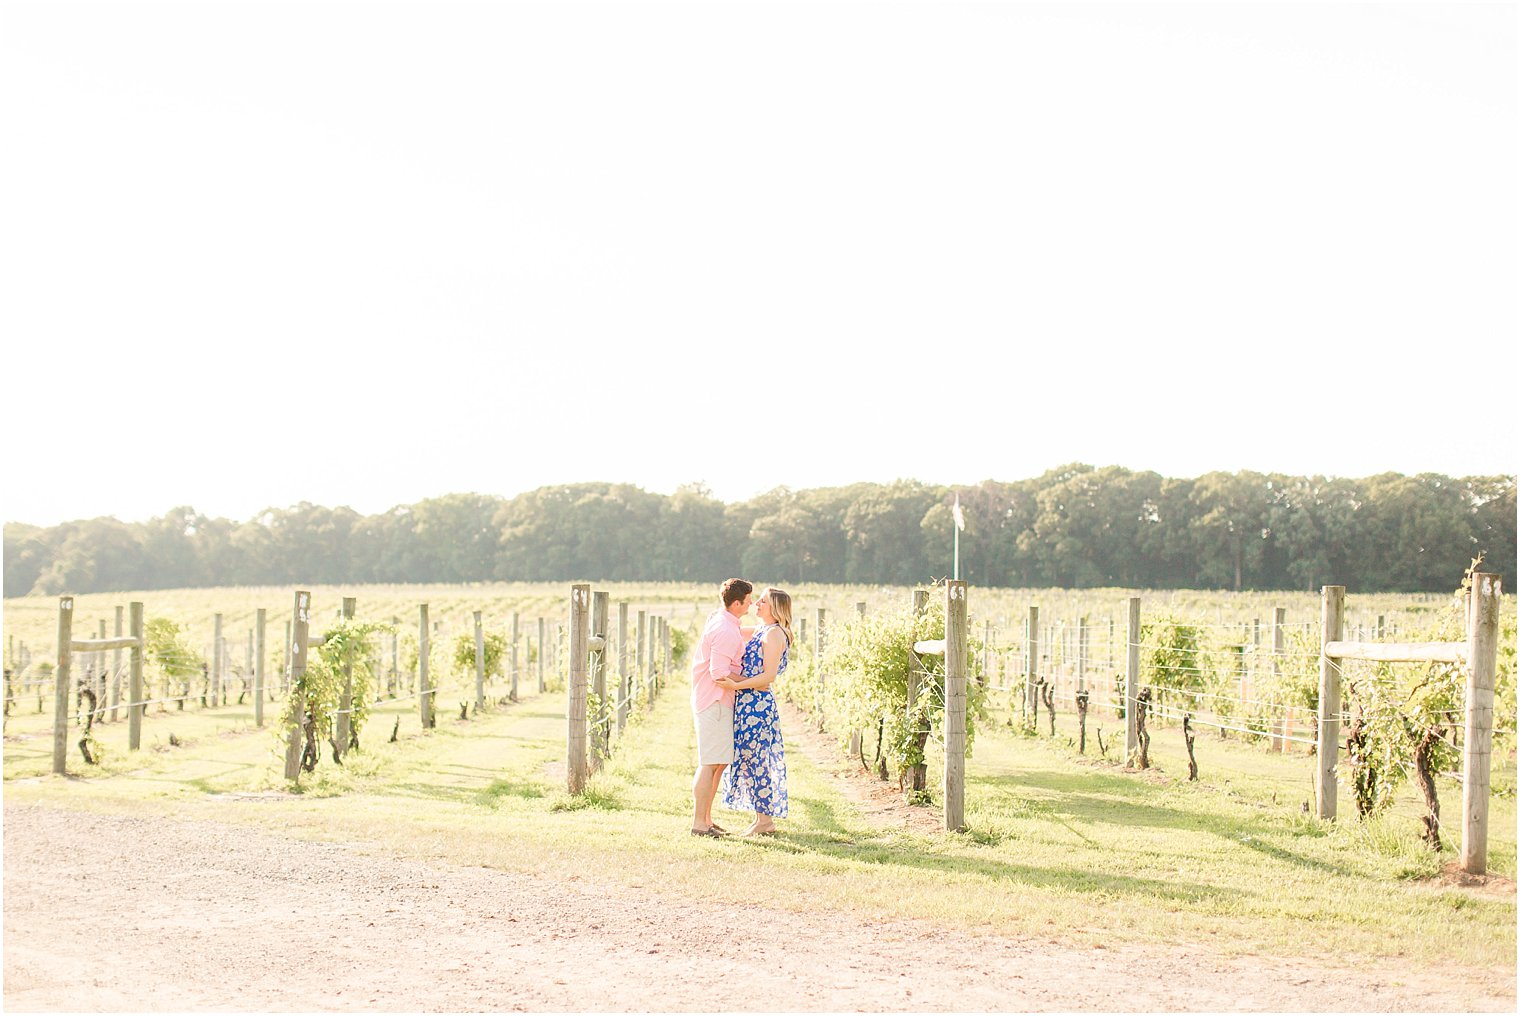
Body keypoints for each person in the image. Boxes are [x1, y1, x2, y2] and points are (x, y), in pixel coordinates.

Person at [716, 586, 792, 836]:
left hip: (757, 707)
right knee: (750, 761)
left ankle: (765, 821)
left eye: (762, 601)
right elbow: (731, 628)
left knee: (758, 761)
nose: (756, 604)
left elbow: (767, 677)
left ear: (775, 608)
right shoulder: (762, 630)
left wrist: (736, 684)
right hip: (747, 704)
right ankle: (762, 818)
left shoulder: (774, 635)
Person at [689, 578, 752, 838]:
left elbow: (737, 634)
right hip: (714, 701)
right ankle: (699, 824)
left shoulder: (723, 619)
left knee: (718, 764)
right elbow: (719, 674)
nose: (751, 604)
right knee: (709, 763)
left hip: (715, 701)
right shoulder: (725, 630)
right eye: (748, 601)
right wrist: (754, 684)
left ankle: (706, 819)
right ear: (737, 603)